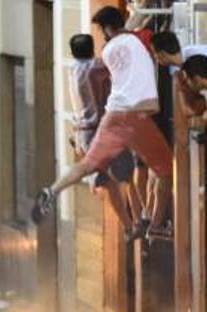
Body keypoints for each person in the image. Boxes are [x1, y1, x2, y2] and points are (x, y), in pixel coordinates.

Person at [32, 6, 172, 234]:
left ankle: (52, 191)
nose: (102, 35)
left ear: (108, 28)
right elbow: (147, 37)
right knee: (165, 168)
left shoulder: (107, 52)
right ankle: (155, 225)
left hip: (112, 116)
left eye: (102, 30)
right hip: (137, 115)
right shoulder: (140, 40)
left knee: (87, 166)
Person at [67, 32, 135, 234]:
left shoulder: (73, 69)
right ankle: (138, 217)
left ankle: (129, 225)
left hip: (85, 134)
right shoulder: (96, 66)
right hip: (102, 130)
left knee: (109, 181)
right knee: (126, 172)